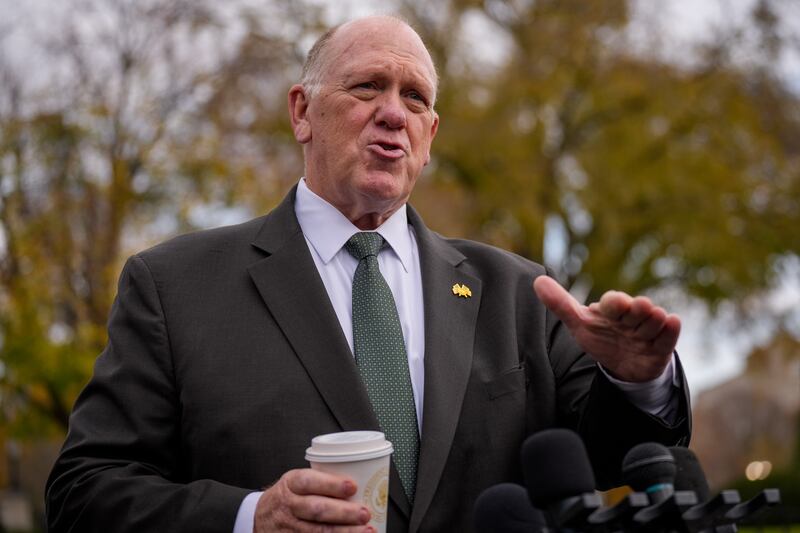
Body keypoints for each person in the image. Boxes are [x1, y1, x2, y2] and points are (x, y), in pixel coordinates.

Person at [46, 15, 690, 533]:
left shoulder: (519, 293)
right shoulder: (174, 287)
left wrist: (638, 382)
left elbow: (610, 463)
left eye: (415, 98)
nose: (393, 113)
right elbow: (85, 492)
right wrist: (249, 518)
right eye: (366, 87)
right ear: (301, 111)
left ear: (430, 136)